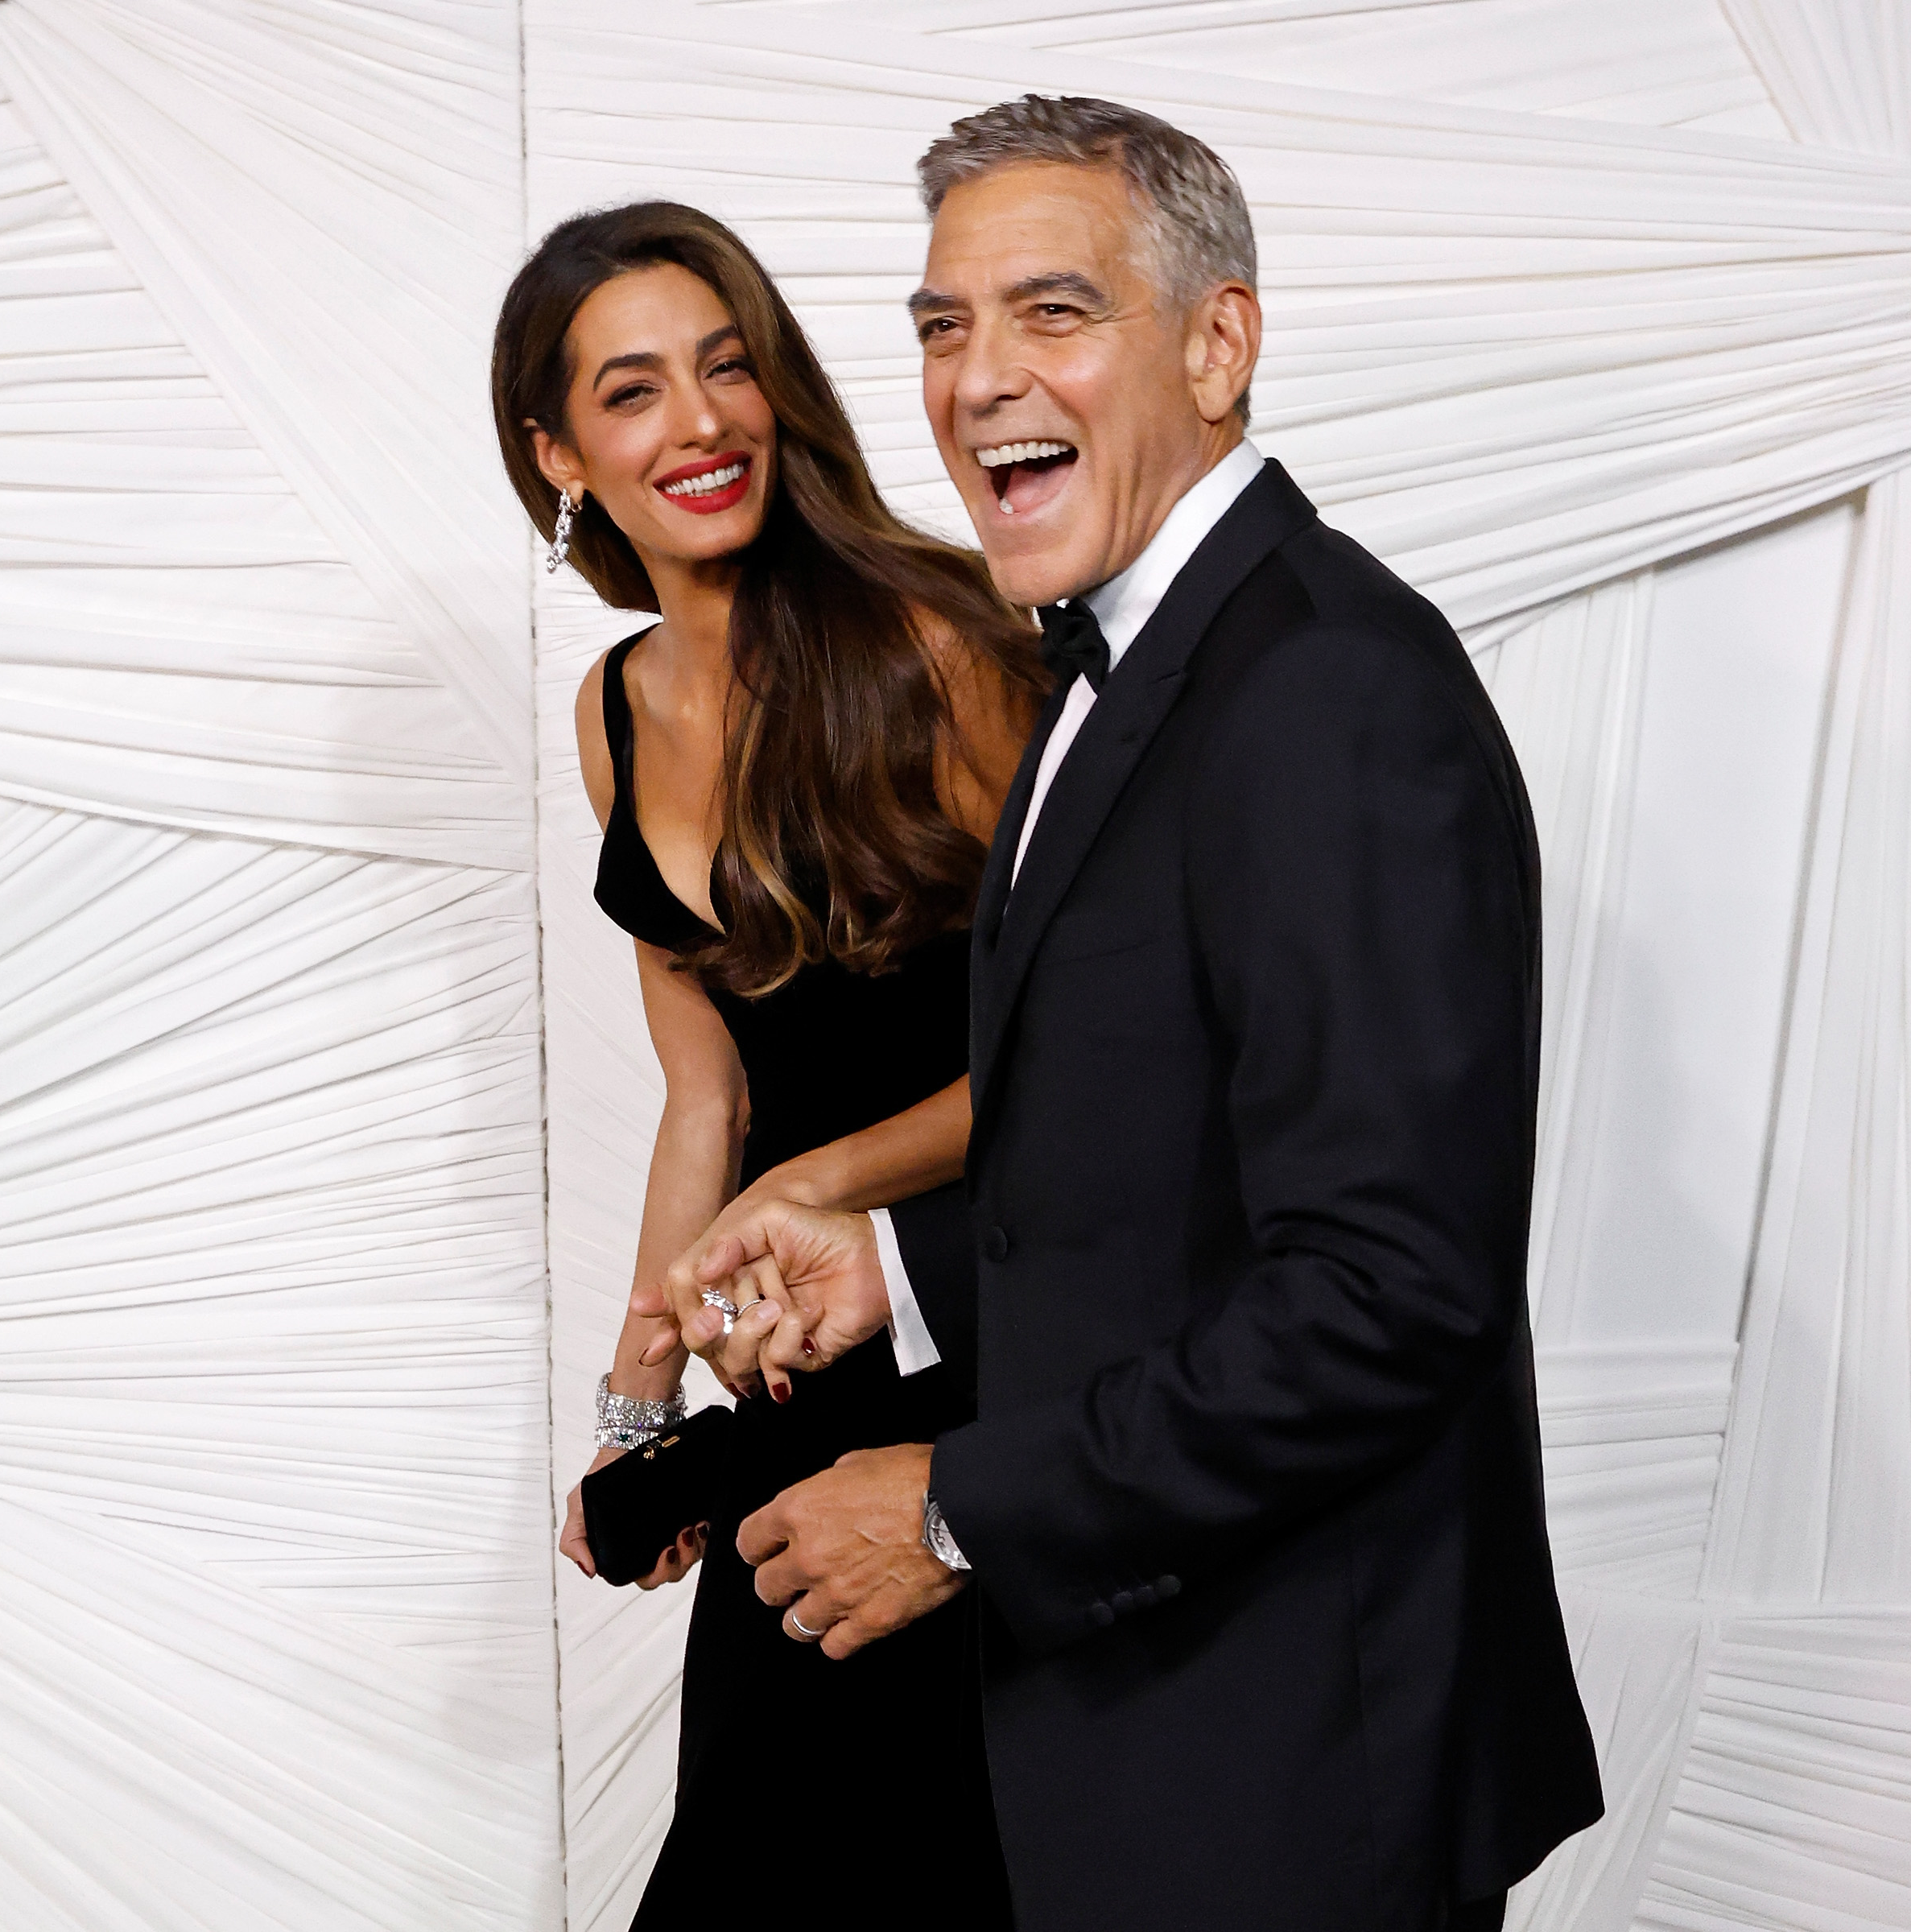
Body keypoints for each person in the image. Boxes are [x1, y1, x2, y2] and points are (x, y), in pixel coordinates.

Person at [644, 98, 1605, 1930]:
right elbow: (1166, 1172)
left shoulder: (1325, 689)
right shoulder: (1128, 650)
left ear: (1219, 344)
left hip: (1292, 1768)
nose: (978, 377)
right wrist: (906, 1273)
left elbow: (1386, 1297)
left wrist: (950, 1510)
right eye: (943, 326)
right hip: (1154, 1737)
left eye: (1051, 314)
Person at [489, 201, 1039, 1926]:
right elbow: (708, 1094)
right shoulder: (611, 706)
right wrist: (642, 1406)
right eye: (634, 390)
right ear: (559, 449)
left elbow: (1091, 1063)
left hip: (1002, 1338)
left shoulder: (937, 643)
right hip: (797, 1387)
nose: (701, 422)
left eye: (728, 367)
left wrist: (824, 1189)